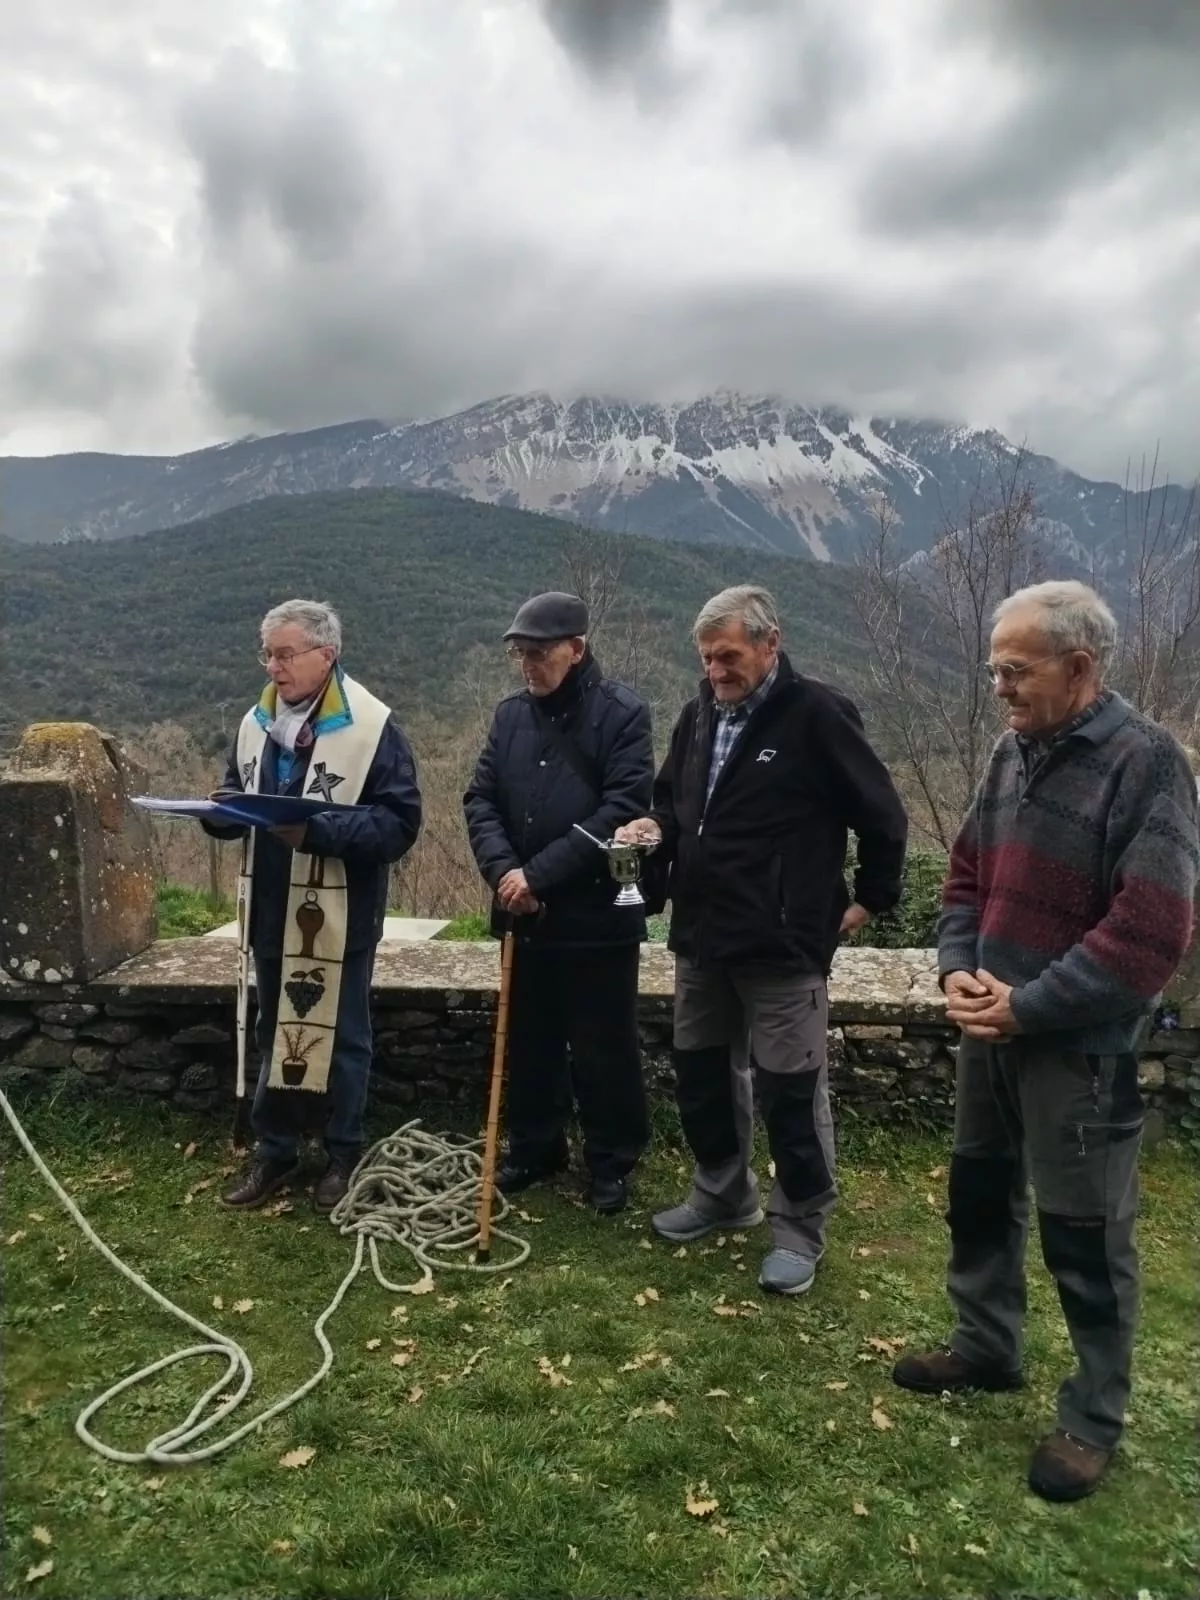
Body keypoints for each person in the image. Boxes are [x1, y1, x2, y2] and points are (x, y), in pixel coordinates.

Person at [892, 580, 1199, 1503]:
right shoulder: (1009, 752)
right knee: (980, 1196)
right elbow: (964, 875)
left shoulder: (1148, 763)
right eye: (995, 670)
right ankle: (986, 1346)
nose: (999, 687)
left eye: (1015, 671)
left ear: (1080, 666)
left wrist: (1030, 1005)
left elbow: (1150, 933)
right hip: (991, 1024)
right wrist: (958, 966)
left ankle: (1094, 1416)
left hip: (1078, 1048)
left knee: (1086, 1236)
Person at [616, 584, 908, 1293]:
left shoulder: (817, 715)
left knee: (791, 1091)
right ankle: (723, 1195)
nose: (716, 670)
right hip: (701, 936)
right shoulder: (697, 715)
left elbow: (883, 814)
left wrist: (870, 899)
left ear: (770, 643)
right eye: (707, 658)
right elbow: (674, 806)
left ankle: (800, 1230)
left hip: (782, 944)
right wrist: (653, 830)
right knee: (702, 1076)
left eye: (729, 656)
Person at [205, 599, 422, 1213]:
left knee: (345, 1036)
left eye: (285, 655)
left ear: (326, 655)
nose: (273, 667)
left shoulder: (372, 728)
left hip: (341, 915)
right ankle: (275, 1150)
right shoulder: (256, 723)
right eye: (267, 655)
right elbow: (238, 793)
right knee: (273, 1029)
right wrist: (220, 814)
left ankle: (343, 1152)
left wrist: (318, 832)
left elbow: (400, 825)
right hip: (272, 909)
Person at [463, 591, 655, 1214]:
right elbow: (481, 799)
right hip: (523, 916)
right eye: (520, 653)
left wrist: (537, 877)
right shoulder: (510, 716)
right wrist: (504, 874)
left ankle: (611, 1161)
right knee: (531, 1040)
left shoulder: (623, 715)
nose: (527, 665)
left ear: (576, 649)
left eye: (539, 653)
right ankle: (535, 1147)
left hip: (597, 918)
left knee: (604, 1045)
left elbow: (622, 809)